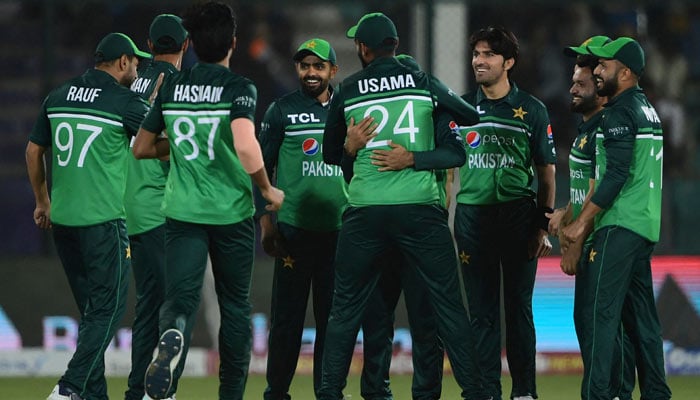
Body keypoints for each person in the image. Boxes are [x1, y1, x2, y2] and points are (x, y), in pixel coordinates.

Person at [320, 12, 488, 400]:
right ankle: (477, 392)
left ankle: (329, 393)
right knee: (448, 307)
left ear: (362, 48)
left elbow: (332, 154)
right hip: (419, 211)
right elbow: (471, 114)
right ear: (395, 46)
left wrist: (351, 145)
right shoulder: (423, 82)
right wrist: (433, 117)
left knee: (344, 311)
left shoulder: (348, 87)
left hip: (366, 211)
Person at [132, 2, 284, 399]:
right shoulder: (239, 88)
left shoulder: (174, 87)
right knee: (234, 307)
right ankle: (231, 394)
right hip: (230, 214)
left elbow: (142, 147)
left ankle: (172, 336)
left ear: (193, 43)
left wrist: (181, 151)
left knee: (179, 302)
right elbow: (247, 147)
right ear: (233, 43)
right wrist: (267, 190)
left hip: (182, 213)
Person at [26, 32, 151, 400]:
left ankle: (94, 396)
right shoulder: (125, 101)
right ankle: (68, 390)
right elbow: (155, 144)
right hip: (103, 223)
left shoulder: (59, 95)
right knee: (108, 311)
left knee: (92, 315)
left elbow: (34, 151)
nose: (138, 67)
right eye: (135, 61)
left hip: (63, 223)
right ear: (122, 62)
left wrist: (42, 201)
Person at [560, 36, 672, 400]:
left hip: (620, 224)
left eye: (604, 66)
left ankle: (599, 395)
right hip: (644, 223)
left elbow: (616, 173)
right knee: (643, 321)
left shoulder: (619, 113)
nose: (598, 71)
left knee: (599, 315)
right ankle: (656, 392)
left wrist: (579, 225)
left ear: (624, 72)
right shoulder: (646, 109)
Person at [453, 26, 556, 400]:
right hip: (472, 218)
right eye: (476, 54)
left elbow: (547, 173)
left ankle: (524, 392)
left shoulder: (531, 109)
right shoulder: (460, 108)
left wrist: (542, 224)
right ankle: (485, 392)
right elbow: (449, 170)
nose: (479, 61)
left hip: (517, 218)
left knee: (518, 309)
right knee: (480, 312)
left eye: (488, 55)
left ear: (508, 62)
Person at [256, 37, 344, 400]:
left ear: (332, 71)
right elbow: (261, 167)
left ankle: (327, 393)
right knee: (286, 324)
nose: (311, 72)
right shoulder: (281, 110)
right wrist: (265, 220)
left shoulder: (349, 108)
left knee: (332, 322)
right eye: (305, 65)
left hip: (339, 231)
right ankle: (276, 393)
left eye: (318, 66)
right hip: (292, 231)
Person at [548, 36, 636, 400]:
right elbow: (587, 187)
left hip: (603, 240)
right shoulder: (587, 129)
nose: (573, 87)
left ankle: (613, 392)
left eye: (582, 82)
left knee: (602, 324)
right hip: (593, 238)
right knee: (592, 323)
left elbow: (602, 184)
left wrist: (576, 235)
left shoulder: (605, 127)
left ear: (601, 90)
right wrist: (566, 211)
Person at [123, 14, 188, 400]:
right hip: (163, 208)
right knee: (174, 304)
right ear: (186, 45)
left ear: (148, 46)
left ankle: (137, 389)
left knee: (148, 303)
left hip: (130, 207)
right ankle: (158, 393)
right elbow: (173, 148)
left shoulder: (131, 80)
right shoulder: (179, 85)